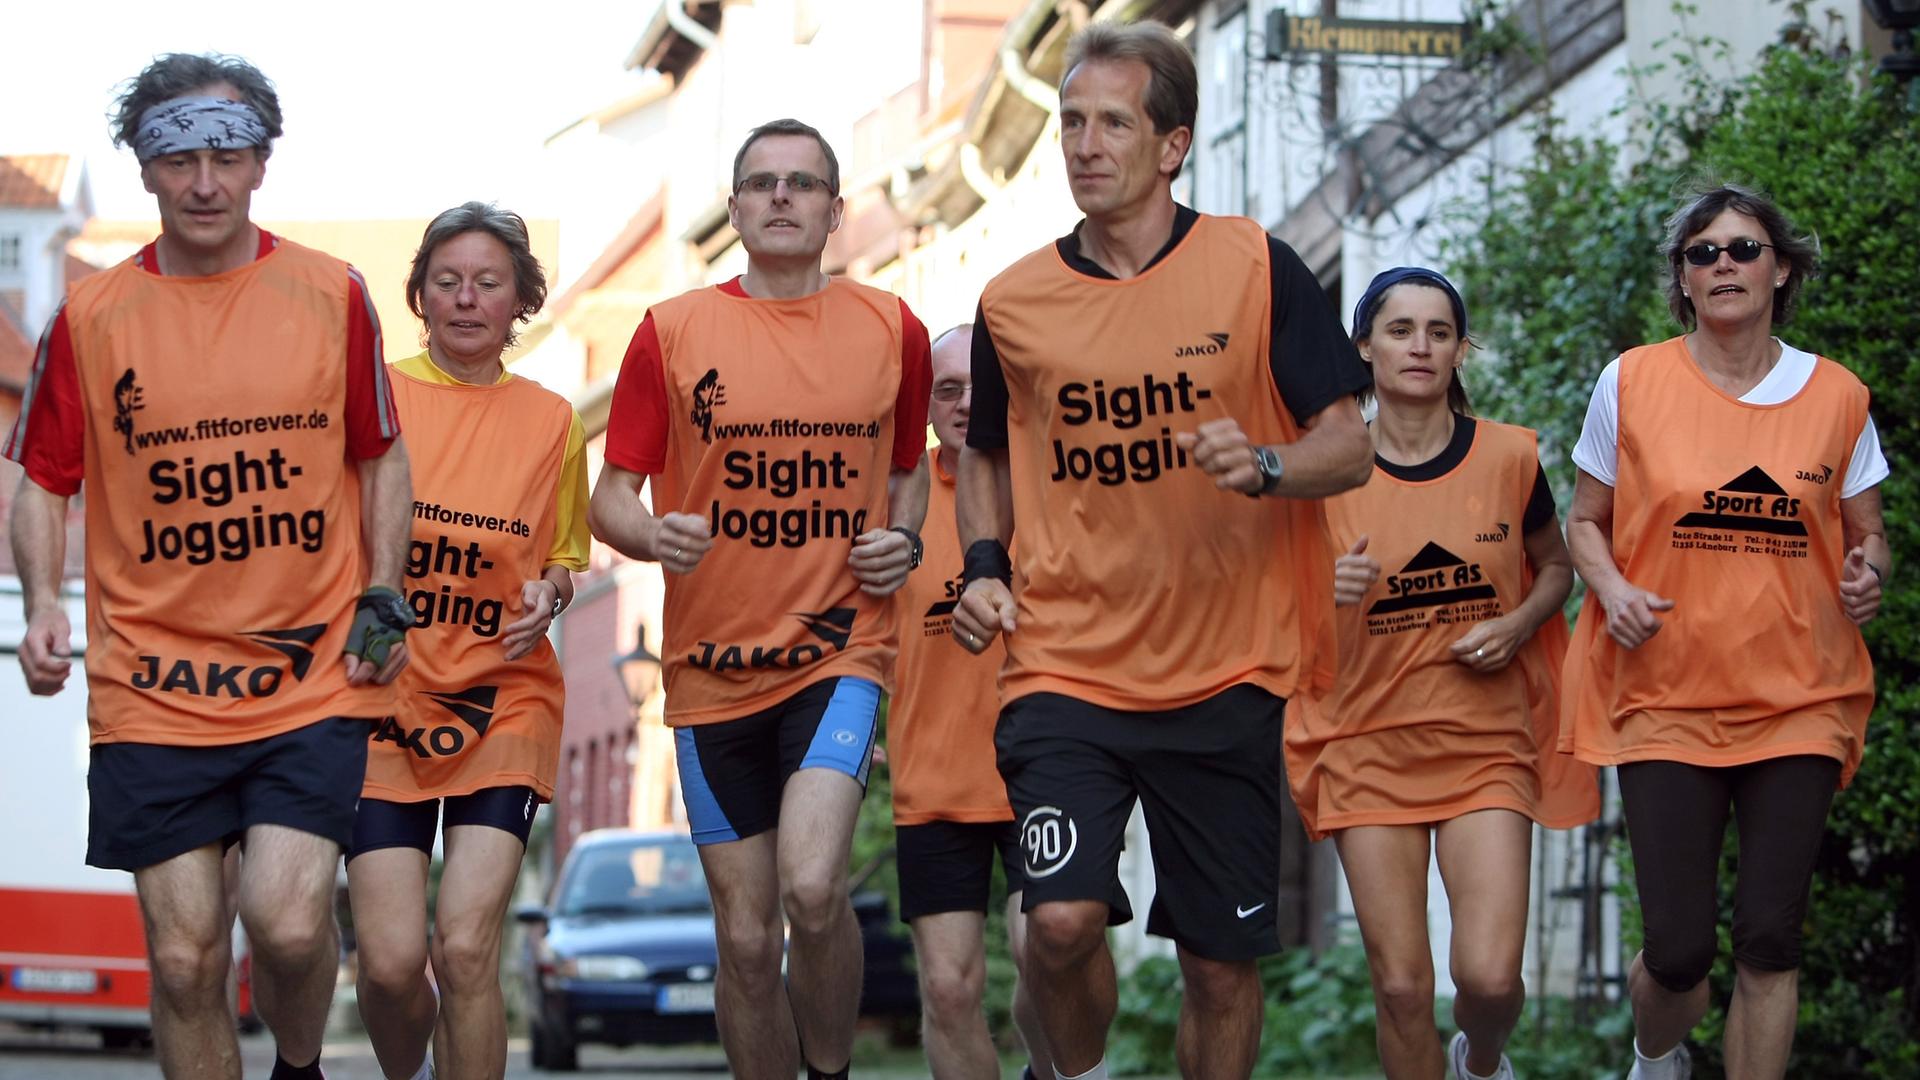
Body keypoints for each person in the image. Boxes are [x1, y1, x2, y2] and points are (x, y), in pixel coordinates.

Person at [950, 21, 1373, 1080]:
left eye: (1114, 124)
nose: (1086, 145)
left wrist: (1267, 467)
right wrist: (987, 568)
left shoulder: (1253, 265)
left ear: (1171, 145)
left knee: (1221, 969)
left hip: (1226, 668)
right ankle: (1079, 1073)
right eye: (1072, 123)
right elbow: (988, 458)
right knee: (1058, 923)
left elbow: (1349, 444)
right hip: (1064, 666)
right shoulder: (1013, 303)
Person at [3, 53, 413, 1080]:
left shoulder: (332, 293)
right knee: (185, 957)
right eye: (176, 156)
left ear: (260, 163)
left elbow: (382, 455)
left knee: (282, 925)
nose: (202, 181)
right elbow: (42, 481)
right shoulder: (90, 321)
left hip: (309, 674)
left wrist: (384, 594)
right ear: (144, 169)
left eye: (225, 155)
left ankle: (301, 1063)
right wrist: (46, 605)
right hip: (152, 686)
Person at [587, 118, 932, 1080]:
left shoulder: (890, 327)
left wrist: (900, 540)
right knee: (744, 939)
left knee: (813, 885)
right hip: (710, 672)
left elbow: (910, 472)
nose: (782, 197)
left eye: (803, 184)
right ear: (735, 208)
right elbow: (610, 496)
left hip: (839, 650)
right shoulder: (673, 331)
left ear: (833, 209)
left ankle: (830, 1072)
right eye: (762, 184)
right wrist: (654, 534)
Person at [1561, 184, 1890, 1080]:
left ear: (1781, 269)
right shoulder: (1631, 381)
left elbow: (1870, 536)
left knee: (1770, 941)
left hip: (1801, 699)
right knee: (1677, 952)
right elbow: (1583, 520)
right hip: (1666, 698)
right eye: (1702, 254)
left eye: (1743, 249)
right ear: (1684, 280)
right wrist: (1614, 588)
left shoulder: (1836, 395)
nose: (1724, 266)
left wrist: (1869, 575)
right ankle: (1654, 1054)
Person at [1286, 268, 1599, 1080]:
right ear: (1365, 347)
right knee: (1398, 985)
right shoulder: (1321, 472)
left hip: (1484, 743)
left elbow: (1556, 567)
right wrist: (1323, 594)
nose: (1419, 346)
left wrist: (1520, 621)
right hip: (1363, 743)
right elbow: (1265, 612)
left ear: (1461, 349)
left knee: (1491, 980)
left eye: (1438, 331)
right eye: (1399, 330)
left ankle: (1480, 1061)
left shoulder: (1508, 457)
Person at [346, 203, 588, 1080]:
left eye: (489, 283)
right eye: (446, 282)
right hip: (383, 699)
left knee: (465, 947)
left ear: (519, 299)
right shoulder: (376, 393)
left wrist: (549, 596)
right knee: (390, 960)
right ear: (419, 295)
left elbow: (564, 554)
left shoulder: (555, 421)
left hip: (504, 700)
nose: (465, 299)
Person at [888, 324, 1050, 1080]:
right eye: (947, 389)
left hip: (1045, 766)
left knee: (1047, 958)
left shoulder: (1051, 485)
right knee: (949, 989)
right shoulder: (895, 502)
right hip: (935, 780)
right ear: (923, 404)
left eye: (981, 387)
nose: (964, 404)